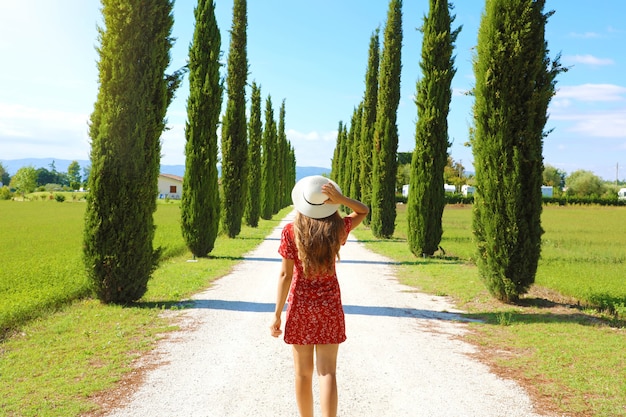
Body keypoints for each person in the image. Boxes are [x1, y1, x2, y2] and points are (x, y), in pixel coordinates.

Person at [270, 175, 369, 417]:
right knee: (328, 373)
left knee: (303, 373)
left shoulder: (291, 231)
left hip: (300, 307)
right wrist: (342, 199)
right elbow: (363, 211)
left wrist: (276, 315)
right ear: (329, 203)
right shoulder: (337, 228)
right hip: (329, 306)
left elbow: (285, 275)